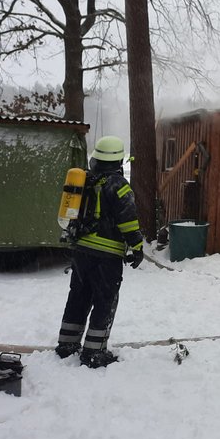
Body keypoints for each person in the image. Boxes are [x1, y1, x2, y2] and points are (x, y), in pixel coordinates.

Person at [55, 135, 144, 368]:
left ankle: (67, 345)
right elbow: (128, 220)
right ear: (117, 161)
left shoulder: (86, 180)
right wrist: (137, 246)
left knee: (79, 296)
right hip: (106, 256)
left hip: (82, 251)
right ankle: (94, 353)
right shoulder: (118, 185)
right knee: (105, 301)